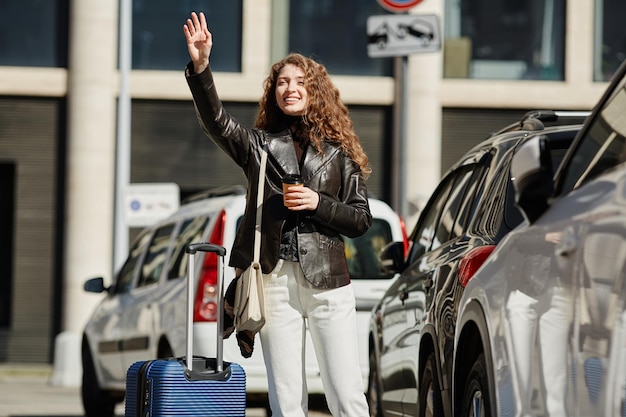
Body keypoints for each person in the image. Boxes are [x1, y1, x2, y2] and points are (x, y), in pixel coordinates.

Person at [183, 11, 373, 417]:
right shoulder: (259, 146)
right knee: (285, 399)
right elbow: (217, 123)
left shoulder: (339, 153)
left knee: (346, 396)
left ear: (315, 91)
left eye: (300, 82)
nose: (290, 88)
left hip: (329, 282)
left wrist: (317, 204)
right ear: (274, 91)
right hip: (273, 281)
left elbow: (360, 219)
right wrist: (201, 68)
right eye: (283, 82)